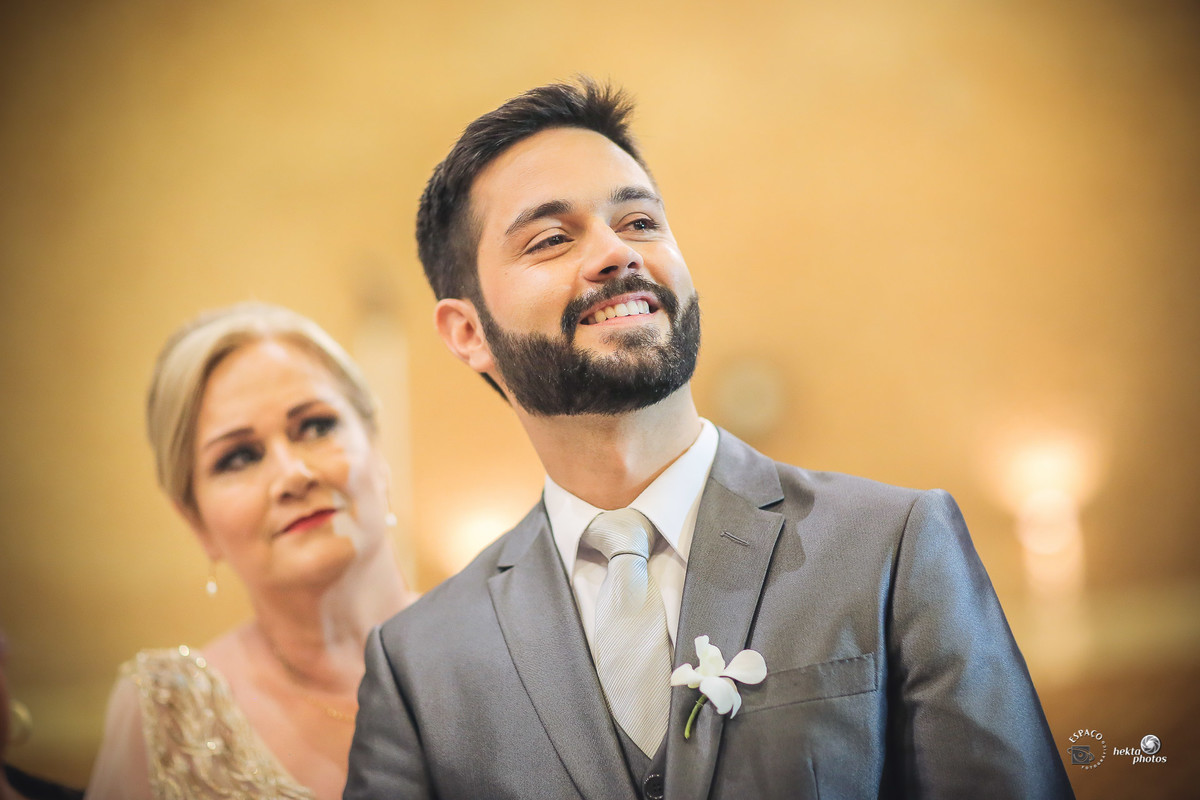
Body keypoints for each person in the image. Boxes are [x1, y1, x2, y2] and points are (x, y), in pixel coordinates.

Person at [345, 80, 1073, 799]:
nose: (614, 254)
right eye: (552, 238)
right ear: (468, 332)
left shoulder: (895, 546)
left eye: (638, 222)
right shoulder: (418, 667)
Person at [88, 303, 412, 800]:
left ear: (377, 449)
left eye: (317, 426)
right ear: (196, 522)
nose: (292, 475)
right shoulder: (165, 719)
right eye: (239, 457)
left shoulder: (502, 644)